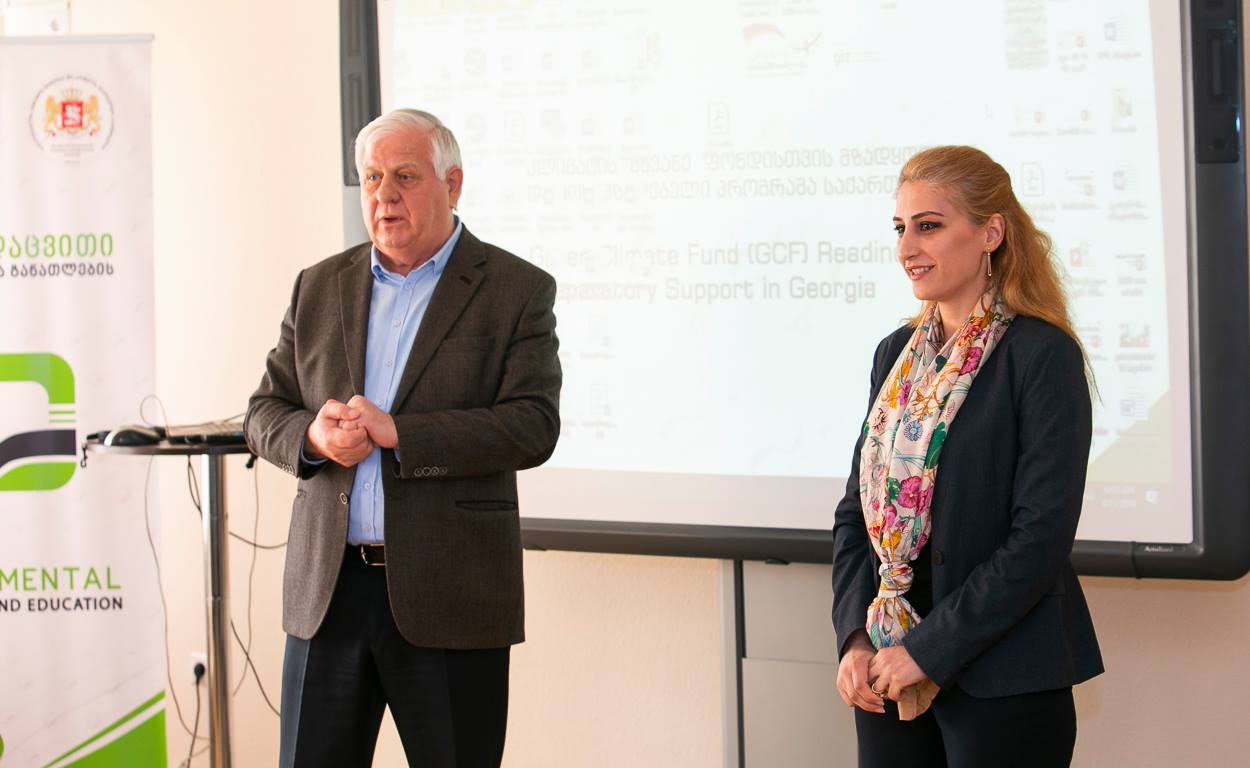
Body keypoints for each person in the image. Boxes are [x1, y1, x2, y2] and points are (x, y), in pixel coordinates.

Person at [245, 108, 561, 768]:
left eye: (405, 177)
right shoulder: (318, 285)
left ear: (453, 183)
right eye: (371, 178)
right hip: (328, 596)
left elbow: (533, 424)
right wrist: (313, 438)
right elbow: (263, 413)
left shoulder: (515, 290)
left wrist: (404, 434)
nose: (384, 195)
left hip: (450, 597)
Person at [831, 145, 1103, 767]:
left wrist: (928, 650)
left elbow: (1039, 538)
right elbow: (855, 513)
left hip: (1003, 678)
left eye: (928, 226)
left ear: (990, 233)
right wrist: (854, 638)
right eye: (900, 228)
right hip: (886, 670)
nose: (907, 247)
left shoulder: (1041, 355)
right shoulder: (894, 354)